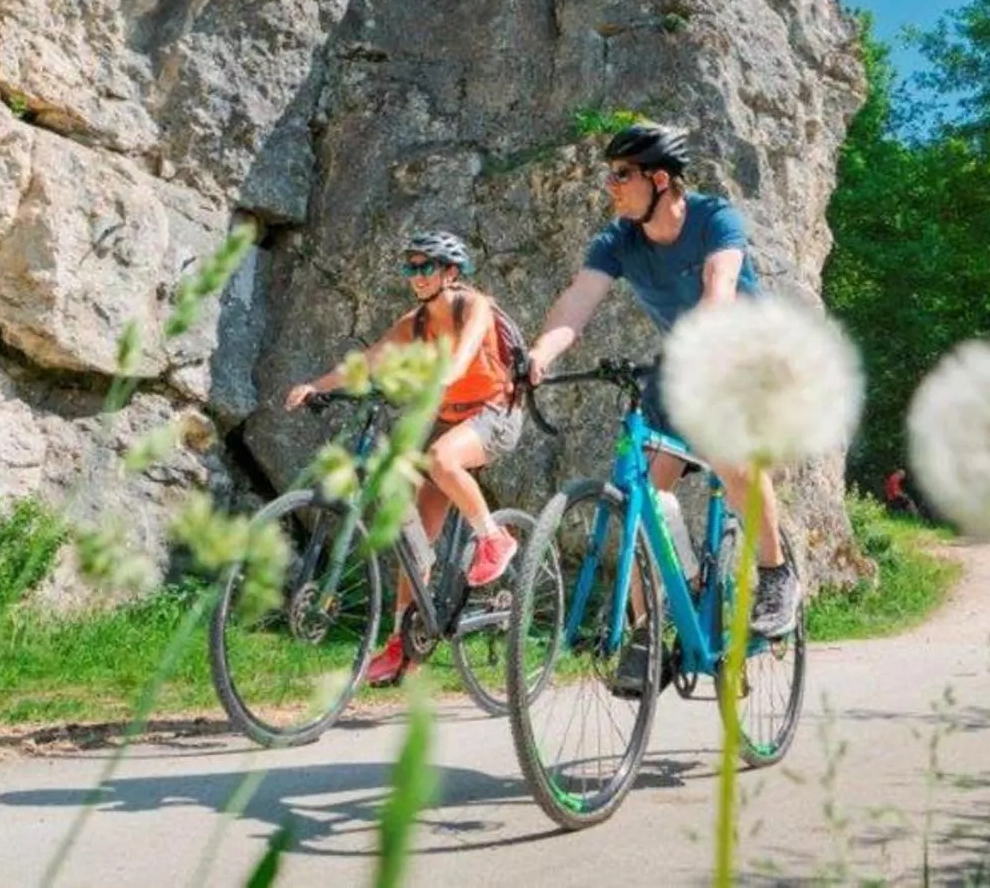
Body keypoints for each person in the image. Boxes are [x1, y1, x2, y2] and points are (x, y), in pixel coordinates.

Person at [529, 122, 801, 695]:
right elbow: (577, 303)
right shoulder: (616, 241)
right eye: (609, 175)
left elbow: (719, 289)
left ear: (660, 179)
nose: (611, 186)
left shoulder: (714, 218)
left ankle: (777, 575)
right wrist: (539, 356)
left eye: (621, 174)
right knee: (641, 499)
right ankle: (652, 628)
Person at [283, 229, 525, 687]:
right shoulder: (413, 323)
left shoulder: (475, 306)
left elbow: (465, 353)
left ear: (451, 272)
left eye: (425, 266)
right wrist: (318, 385)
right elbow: (367, 361)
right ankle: (403, 643)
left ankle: (493, 537)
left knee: (440, 458)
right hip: (446, 418)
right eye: (410, 267)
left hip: (494, 412)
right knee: (410, 536)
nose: (416, 276)